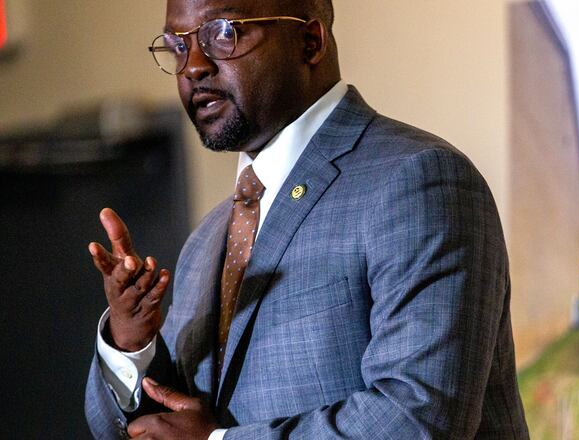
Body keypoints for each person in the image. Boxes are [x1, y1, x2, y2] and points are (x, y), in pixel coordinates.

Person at [84, 0, 529, 438]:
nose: (194, 66)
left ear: (310, 41)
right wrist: (131, 342)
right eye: (176, 46)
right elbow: (151, 425)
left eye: (223, 33)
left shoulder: (417, 180)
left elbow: (420, 418)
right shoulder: (206, 240)